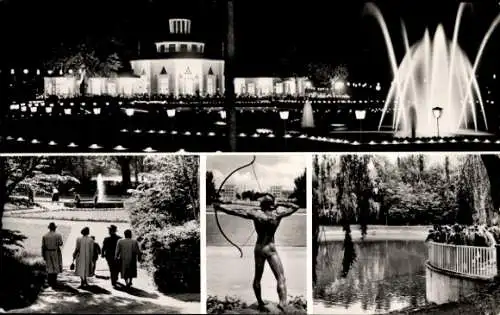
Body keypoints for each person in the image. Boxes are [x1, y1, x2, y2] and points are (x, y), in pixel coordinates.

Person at [213, 195, 300, 311]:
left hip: (259, 249)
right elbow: (295, 206)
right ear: (271, 205)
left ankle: (260, 302)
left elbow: (235, 211)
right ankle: (283, 303)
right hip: (270, 249)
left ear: (263, 205)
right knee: (281, 278)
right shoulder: (277, 215)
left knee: (257, 278)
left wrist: (220, 207)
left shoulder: (256, 214)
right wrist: (280, 203)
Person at [41, 222, 63, 288]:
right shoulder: (58, 235)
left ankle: (50, 281)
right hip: (55, 251)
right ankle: (54, 281)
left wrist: (43, 254)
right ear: (55, 228)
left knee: (49, 266)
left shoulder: (45, 235)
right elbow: (60, 243)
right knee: (55, 265)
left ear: (49, 228)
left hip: (47, 252)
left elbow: (43, 246)